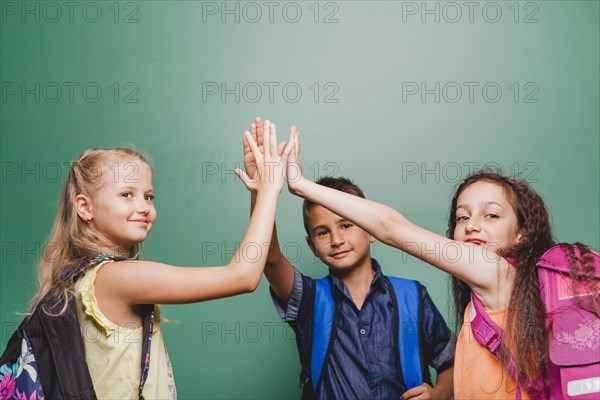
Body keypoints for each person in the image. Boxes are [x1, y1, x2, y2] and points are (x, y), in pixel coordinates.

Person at [282, 128, 599, 399]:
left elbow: (391, 228)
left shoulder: (498, 273)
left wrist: (301, 185)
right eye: (463, 216)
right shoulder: (491, 298)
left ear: (521, 234)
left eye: (491, 214)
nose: (473, 225)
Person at [0, 129, 293, 399]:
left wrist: (259, 192)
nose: (144, 207)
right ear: (84, 207)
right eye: (127, 194)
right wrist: (267, 190)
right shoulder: (116, 277)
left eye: (149, 196)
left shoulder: (85, 277)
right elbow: (243, 277)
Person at [242, 118, 455, 400]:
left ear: (372, 231)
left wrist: (439, 393)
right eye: (322, 232)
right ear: (312, 246)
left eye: (346, 225)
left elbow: (451, 361)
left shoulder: (413, 296)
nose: (336, 239)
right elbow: (268, 260)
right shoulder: (308, 298)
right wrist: (262, 191)